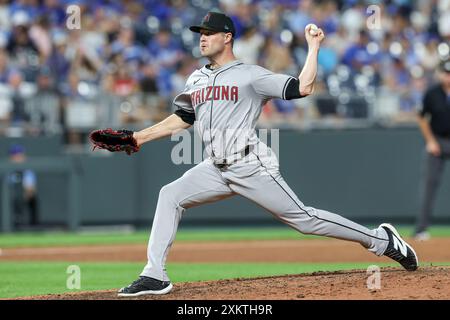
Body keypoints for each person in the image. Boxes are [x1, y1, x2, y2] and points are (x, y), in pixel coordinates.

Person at [117, 12, 418, 297]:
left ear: (228, 37)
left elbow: (303, 87)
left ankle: (380, 239)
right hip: (214, 168)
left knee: (304, 220)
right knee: (169, 194)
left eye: (209, 33)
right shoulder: (195, 79)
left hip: (250, 165)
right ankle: (155, 274)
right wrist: (138, 137)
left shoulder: (250, 75)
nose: (202, 38)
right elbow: (184, 117)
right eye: (200, 33)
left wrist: (313, 47)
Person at [415, 59, 450, 241]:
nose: (448, 77)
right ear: (440, 73)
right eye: (446, 73)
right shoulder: (433, 93)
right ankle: (421, 229)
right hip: (438, 141)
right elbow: (421, 117)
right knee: (429, 185)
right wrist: (430, 141)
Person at [8, 144, 39, 228]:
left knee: (31, 197)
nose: (18, 159)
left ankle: (30, 225)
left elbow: (31, 189)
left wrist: (26, 193)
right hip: (8, 201)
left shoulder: (28, 171)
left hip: (24, 199)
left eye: (20, 156)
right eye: (15, 156)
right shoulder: (7, 171)